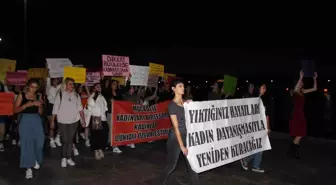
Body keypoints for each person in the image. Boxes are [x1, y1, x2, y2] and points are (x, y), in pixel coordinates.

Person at [161, 79, 200, 185]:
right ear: (173, 89)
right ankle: (162, 182)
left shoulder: (186, 103)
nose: (183, 88)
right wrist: (182, 146)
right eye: (180, 86)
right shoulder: (172, 105)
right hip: (176, 138)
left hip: (187, 136)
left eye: (183, 86)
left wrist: (191, 105)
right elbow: (176, 127)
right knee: (171, 166)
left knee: (192, 164)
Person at [13, 79, 44, 179]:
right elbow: (15, 110)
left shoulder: (39, 96)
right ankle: (28, 168)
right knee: (27, 143)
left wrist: (40, 106)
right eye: (32, 87)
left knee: (40, 141)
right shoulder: (22, 95)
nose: (33, 89)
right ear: (28, 86)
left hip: (36, 120)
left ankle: (34, 158)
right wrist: (26, 105)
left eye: (36, 87)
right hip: (25, 120)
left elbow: (41, 113)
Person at [51, 78, 85, 167]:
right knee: (65, 140)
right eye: (70, 84)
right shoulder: (60, 94)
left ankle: (69, 157)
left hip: (74, 121)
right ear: (65, 85)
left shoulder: (76, 95)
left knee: (70, 140)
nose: (72, 86)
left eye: (73, 84)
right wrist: (52, 121)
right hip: (62, 121)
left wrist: (83, 120)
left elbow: (80, 109)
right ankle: (63, 158)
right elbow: (55, 108)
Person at [240, 84, 271, 173]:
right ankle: (252, 163)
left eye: (264, 88)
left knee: (260, 146)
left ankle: (251, 163)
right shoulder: (254, 98)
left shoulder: (266, 99)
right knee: (259, 146)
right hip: (255, 126)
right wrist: (260, 95)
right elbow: (253, 105)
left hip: (262, 126)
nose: (263, 89)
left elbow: (267, 115)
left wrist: (268, 127)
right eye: (261, 87)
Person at [288, 70, 317, 159]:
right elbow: (296, 88)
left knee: (300, 134)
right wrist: (300, 77)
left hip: (301, 114)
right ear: (297, 83)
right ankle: (293, 151)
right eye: (300, 82)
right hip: (296, 114)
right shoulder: (294, 91)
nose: (302, 84)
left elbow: (314, 89)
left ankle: (293, 152)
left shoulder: (303, 91)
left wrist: (315, 79)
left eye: (302, 83)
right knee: (299, 134)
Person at [86, 83, 108, 160]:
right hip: (96, 118)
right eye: (97, 87)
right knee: (95, 135)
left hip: (103, 118)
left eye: (100, 87)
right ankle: (96, 150)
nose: (99, 88)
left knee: (103, 135)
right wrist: (94, 94)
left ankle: (100, 148)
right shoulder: (92, 96)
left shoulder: (102, 97)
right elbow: (91, 103)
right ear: (94, 89)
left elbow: (105, 108)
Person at [46, 78, 62, 148]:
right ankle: (51, 140)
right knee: (52, 125)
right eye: (54, 80)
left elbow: (64, 82)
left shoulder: (59, 87)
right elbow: (48, 79)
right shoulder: (49, 88)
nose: (56, 81)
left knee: (61, 124)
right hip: (51, 106)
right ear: (52, 81)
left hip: (59, 106)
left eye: (57, 80)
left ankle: (57, 138)